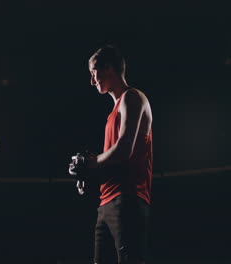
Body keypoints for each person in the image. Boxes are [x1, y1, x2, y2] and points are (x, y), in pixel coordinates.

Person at [70, 45, 153, 264]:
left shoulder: (132, 98)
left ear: (108, 69)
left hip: (128, 199)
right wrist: (88, 172)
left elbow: (124, 150)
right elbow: (115, 161)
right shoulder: (112, 113)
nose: (91, 80)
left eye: (93, 73)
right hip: (107, 201)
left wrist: (92, 162)